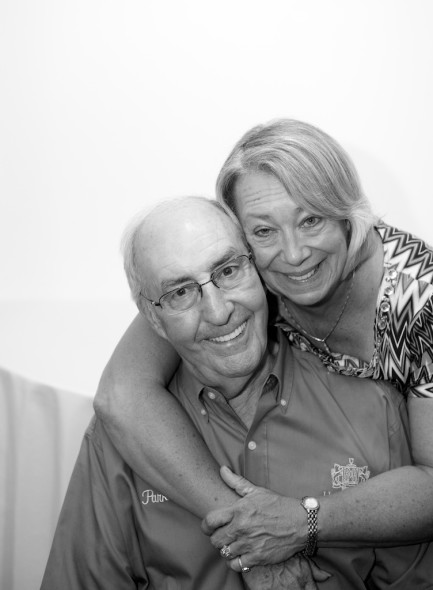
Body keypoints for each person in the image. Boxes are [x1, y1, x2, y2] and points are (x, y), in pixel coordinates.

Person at [42, 197, 433, 589]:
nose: (217, 312)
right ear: (154, 320)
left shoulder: (374, 406)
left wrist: (305, 524)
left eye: (228, 271)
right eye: (180, 293)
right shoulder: (118, 443)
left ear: (258, 270)